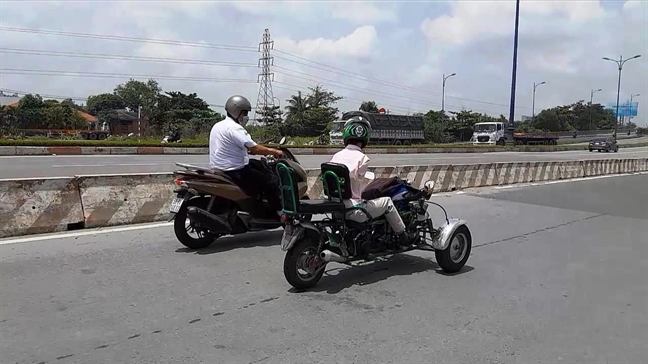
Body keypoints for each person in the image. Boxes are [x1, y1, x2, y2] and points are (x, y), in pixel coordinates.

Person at [328, 116, 417, 248]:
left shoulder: (336, 156)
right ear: (366, 137)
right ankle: (403, 235)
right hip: (354, 209)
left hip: (336, 206)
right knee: (387, 202)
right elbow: (363, 181)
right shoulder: (363, 158)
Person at [209, 95, 284, 213]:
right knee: (270, 184)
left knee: (259, 165)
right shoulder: (234, 128)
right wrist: (274, 151)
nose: (245, 117)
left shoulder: (218, 126)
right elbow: (255, 149)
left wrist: (249, 150)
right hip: (234, 170)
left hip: (219, 168)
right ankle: (280, 213)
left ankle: (257, 200)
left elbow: (229, 145)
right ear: (236, 112)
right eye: (244, 113)